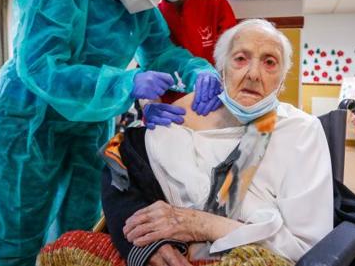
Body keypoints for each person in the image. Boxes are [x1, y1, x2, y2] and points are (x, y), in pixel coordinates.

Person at [0, 0, 222, 266]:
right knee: (17, 229)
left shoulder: (141, 11)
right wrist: (126, 82)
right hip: (27, 122)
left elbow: (162, 52)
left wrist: (200, 71)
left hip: (88, 127)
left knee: (78, 229)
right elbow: (40, 67)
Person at [101, 19, 334, 266]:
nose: (253, 74)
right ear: (221, 70)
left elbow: (307, 249)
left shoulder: (300, 130)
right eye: (241, 59)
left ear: (282, 79)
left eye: (269, 62)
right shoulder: (187, 113)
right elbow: (121, 168)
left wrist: (200, 224)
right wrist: (146, 245)